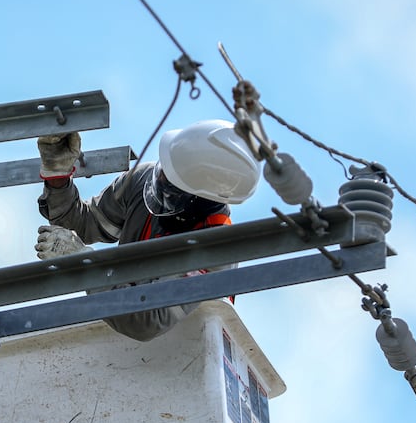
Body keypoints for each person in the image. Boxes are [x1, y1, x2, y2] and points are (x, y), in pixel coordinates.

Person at [35, 119, 260, 341]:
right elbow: (79, 229)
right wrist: (58, 176)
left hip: (182, 362)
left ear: (200, 202)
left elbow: (146, 320)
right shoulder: (145, 180)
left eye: (170, 186)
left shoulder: (216, 250)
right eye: (164, 170)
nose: (159, 181)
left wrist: (85, 266)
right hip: (118, 346)